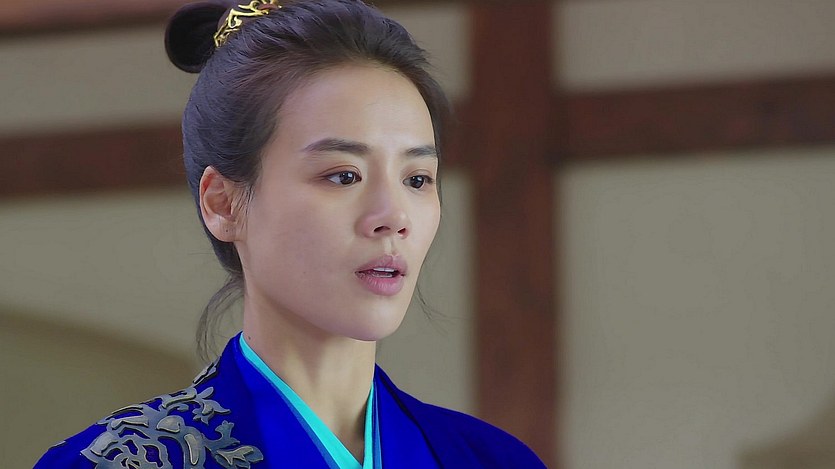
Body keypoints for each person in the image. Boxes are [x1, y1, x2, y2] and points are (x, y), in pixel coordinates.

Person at [35, 0, 546, 467]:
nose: (393, 216)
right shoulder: (119, 462)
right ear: (222, 203)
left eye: (417, 179)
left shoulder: (492, 460)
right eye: (343, 175)